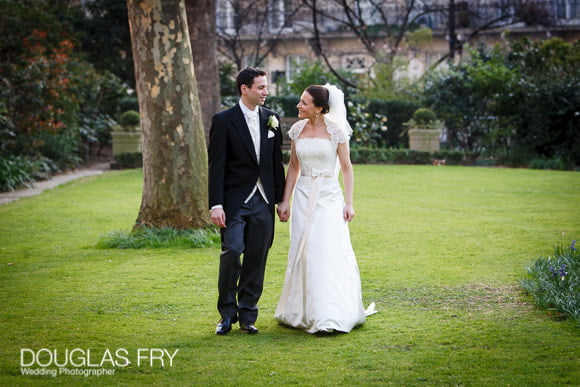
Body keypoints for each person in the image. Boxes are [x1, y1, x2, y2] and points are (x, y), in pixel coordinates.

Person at [275, 84, 375, 334]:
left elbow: (346, 167)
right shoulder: (296, 130)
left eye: (304, 103)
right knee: (304, 251)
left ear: (319, 108)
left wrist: (348, 202)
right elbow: (294, 167)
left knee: (327, 249)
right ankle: (304, 310)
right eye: (300, 101)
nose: (298, 106)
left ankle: (331, 313)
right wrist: (285, 200)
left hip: (329, 196)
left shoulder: (336, 131)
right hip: (303, 194)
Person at [208, 67, 285, 335]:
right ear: (245, 88)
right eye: (261, 87)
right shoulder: (223, 120)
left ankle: (248, 315)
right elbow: (216, 166)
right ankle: (226, 314)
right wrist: (215, 204)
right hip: (233, 201)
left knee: (257, 256)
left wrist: (282, 200)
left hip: (264, 201)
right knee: (232, 250)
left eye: (266, 87)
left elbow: (276, 164)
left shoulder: (271, 119)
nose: (266, 91)